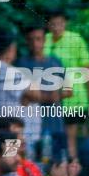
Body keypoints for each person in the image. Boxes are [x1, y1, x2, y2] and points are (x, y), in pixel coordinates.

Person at [44, 10, 89, 160]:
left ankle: (75, 169)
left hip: (74, 99)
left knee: (71, 137)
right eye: (53, 24)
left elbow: (88, 69)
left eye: (60, 23)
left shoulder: (75, 39)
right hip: (51, 99)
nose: (57, 27)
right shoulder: (44, 41)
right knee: (56, 138)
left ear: (65, 23)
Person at [15, 23, 69, 163]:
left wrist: (56, 95)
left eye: (38, 39)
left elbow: (68, 90)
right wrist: (48, 96)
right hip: (34, 127)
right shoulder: (21, 64)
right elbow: (24, 96)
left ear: (44, 40)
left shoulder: (55, 61)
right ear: (27, 41)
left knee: (59, 164)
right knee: (38, 165)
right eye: (31, 39)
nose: (35, 43)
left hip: (57, 124)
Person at [0, 116, 79, 176]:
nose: (22, 138)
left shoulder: (29, 165)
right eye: (15, 134)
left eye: (22, 133)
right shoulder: (8, 169)